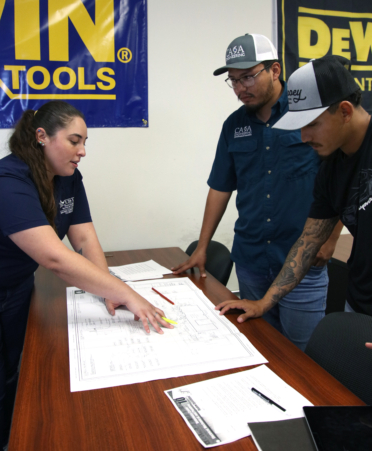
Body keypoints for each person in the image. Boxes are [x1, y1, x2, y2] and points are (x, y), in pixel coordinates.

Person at [0, 101, 172, 448]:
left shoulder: (67, 178)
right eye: (75, 141)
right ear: (42, 137)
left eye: (85, 142)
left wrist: (109, 289)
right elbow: (55, 257)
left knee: (16, 371)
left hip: (19, 286)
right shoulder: (9, 181)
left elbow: (83, 237)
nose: (82, 152)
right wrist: (127, 294)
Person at [172, 34, 342, 351]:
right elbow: (220, 188)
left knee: (304, 359)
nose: (240, 89)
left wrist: (331, 239)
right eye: (233, 81)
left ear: (274, 70)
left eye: (248, 77)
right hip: (251, 261)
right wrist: (203, 246)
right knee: (260, 349)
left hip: (300, 264)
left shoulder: (307, 114)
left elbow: (341, 176)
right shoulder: (233, 126)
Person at [215, 55, 372, 334]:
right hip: (360, 304)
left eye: (311, 124)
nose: (304, 137)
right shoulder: (330, 169)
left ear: (345, 111)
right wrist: (264, 303)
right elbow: (307, 243)